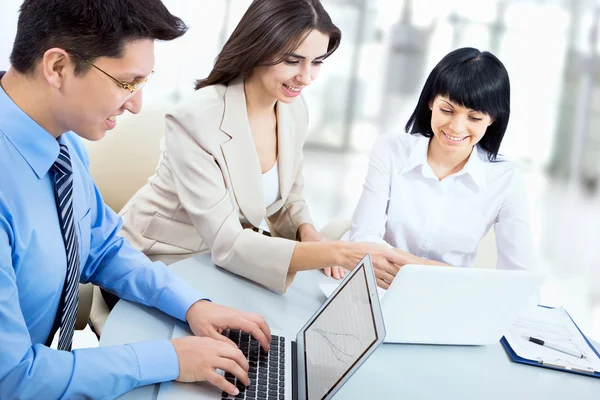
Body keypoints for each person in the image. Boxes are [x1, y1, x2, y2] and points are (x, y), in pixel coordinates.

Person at [0, 1, 272, 398]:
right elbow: (13, 378)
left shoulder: (62, 143)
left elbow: (101, 245)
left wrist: (192, 305)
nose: (136, 104)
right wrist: (170, 358)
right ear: (57, 68)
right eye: (126, 83)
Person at [118, 0, 405, 294]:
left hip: (216, 264)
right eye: (293, 61)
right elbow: (226, 240)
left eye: (317, 62)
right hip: (154, 261)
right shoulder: (196, 120)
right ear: (259, 48)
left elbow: (288, 197)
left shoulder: (293, 110)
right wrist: (337, 253)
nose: (306, 77)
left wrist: (308, 233)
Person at [350, 47, 536, 289]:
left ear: (493, 119)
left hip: (448, 300)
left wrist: (416, 269)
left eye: (474, 118)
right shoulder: (391, 150)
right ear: (430, 101)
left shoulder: (506, 179)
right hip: (378, 288)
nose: (456, 128)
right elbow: (363, 240)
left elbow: (520, 278)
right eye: (447, 110)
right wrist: (451, 275)